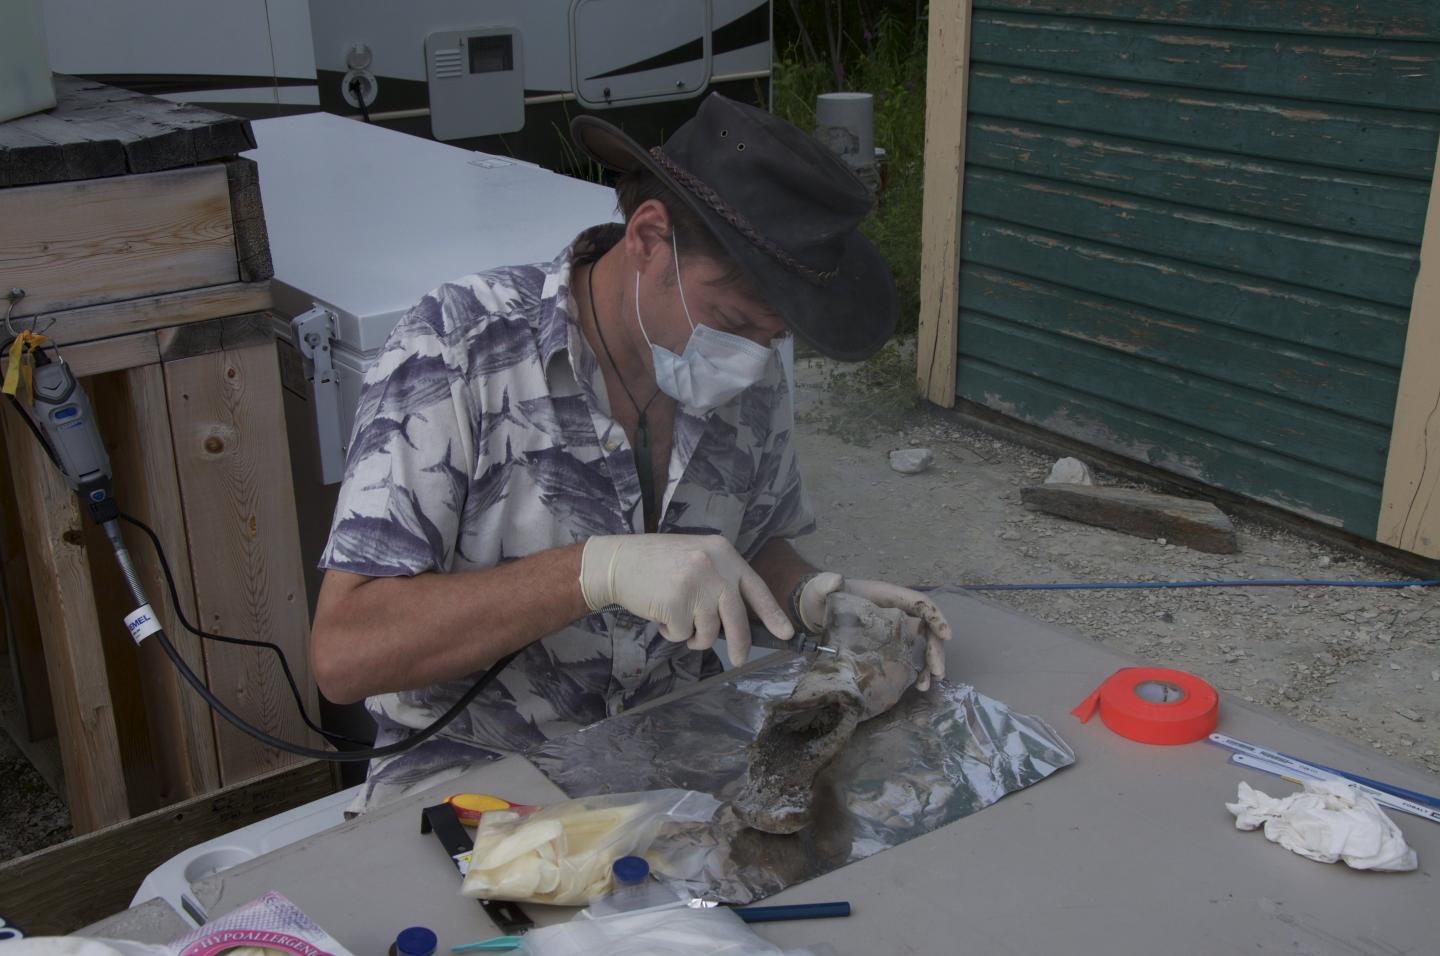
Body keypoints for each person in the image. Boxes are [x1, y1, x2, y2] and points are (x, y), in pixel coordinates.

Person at [310, 93, 953, 811]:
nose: (749, 359)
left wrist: (813, 596)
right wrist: (594, 570)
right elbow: (345, 653)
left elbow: (750, 546)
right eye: (733, 320)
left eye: (772, 338)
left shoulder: (750, 367)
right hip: (475, 786)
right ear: (649, 238)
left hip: (671, 763)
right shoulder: (459, 348)